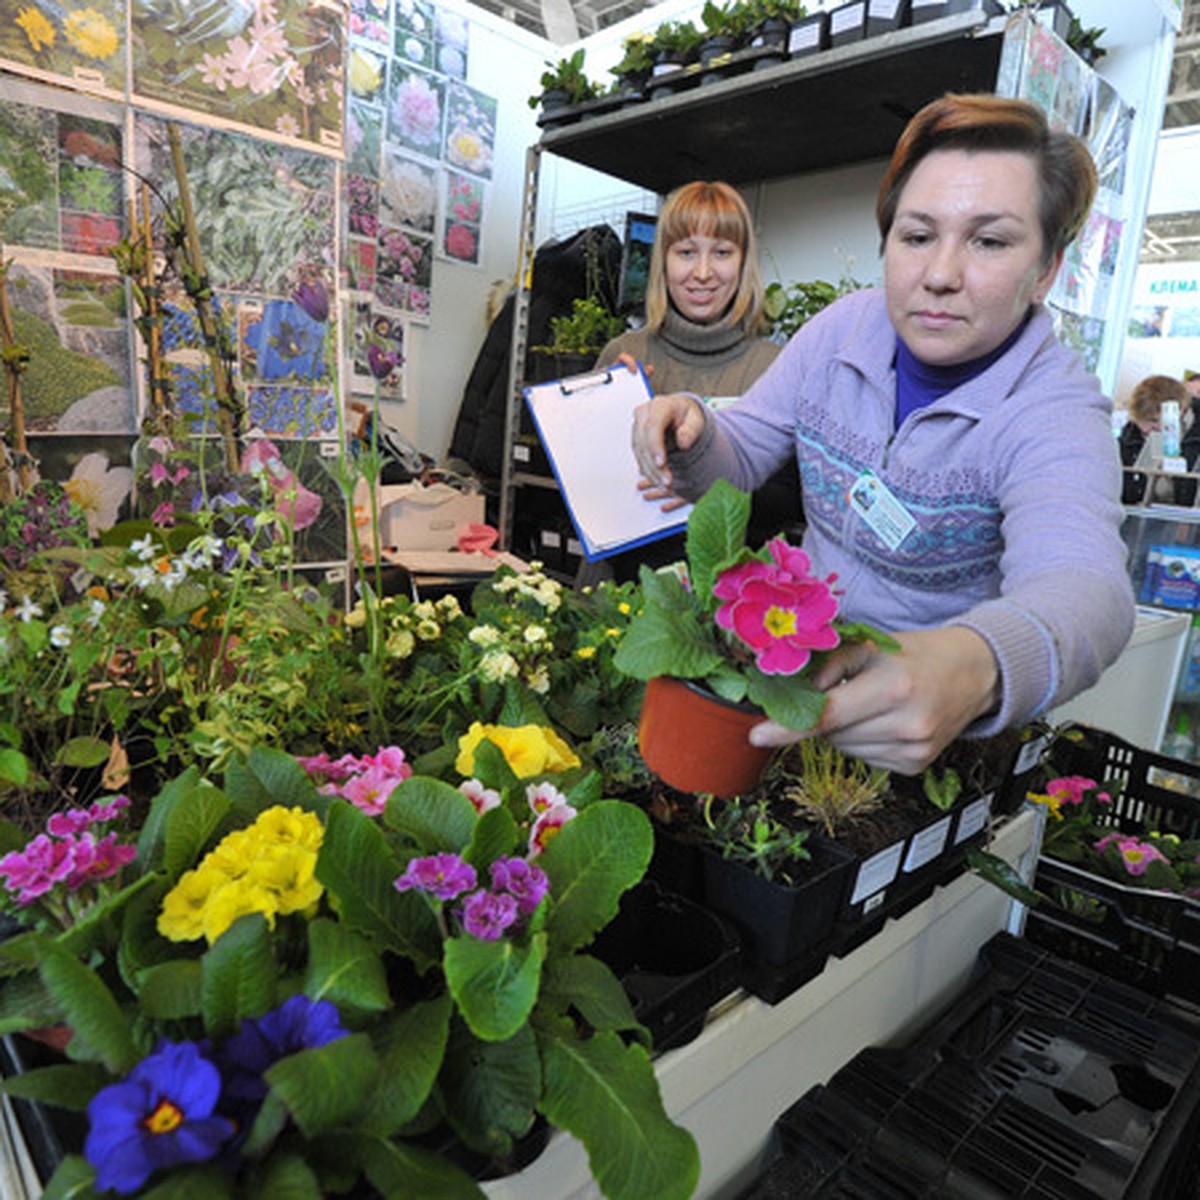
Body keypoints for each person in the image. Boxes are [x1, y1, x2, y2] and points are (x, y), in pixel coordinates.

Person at [630, 92, 1135, 776]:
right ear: (888, 241)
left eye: (989, 241)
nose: (939, 275)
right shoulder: (842, 332)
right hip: (796, 682)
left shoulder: (1052, 410)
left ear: (1045, 269)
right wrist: (688, 431)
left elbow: (1087, 589)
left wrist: (979, 663)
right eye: (917, 235)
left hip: (921, 739)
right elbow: (742, 450)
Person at [593, 181, 794, 577]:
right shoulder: (624, 356)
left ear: (742, 262)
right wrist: (611, 408)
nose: (702, 273)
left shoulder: (776, 368)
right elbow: (587, 491)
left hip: (736, 599)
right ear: (663, 261)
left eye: (721, 252)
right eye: (686, 252)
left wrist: (699, 485)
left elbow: (791, 503)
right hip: (624, 593)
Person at [1118, 374, 1193, 504]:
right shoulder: (1126, 441)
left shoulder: (1191, 441)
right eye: (1150, 421)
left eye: (1159, 421)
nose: (1156, 428)